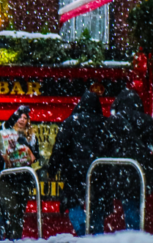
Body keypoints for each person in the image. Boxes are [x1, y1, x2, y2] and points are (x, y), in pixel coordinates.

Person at [92, 89, 153, 232]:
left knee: (129, 205)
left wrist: (103, 173)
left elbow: (102, 148)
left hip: (121, 171)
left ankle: (134, 235)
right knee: (136, 204)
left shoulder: (113, 122)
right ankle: (137, 233)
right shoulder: (147, 120)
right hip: (141, 171)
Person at [49, 91, 102, 236]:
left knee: (73, 204)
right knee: (97, 206)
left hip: (75, 172)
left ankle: (83, 232)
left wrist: (52, 169)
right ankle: (98, 236)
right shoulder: (103, 123)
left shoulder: (71, 122)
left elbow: (59, 148)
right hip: (98, 172)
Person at [0, 106, 38, 239]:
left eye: (25, 118)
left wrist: (27, 149)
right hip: (7, 178)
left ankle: (15, 238)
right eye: (20, 117)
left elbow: (36, 156)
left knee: (19, 213)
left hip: (23, 179)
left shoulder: (31, 137)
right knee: (10, 209)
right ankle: (7, 237)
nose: (22, 120)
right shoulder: (6, 132)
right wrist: (17, 112)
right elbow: (8, 123)